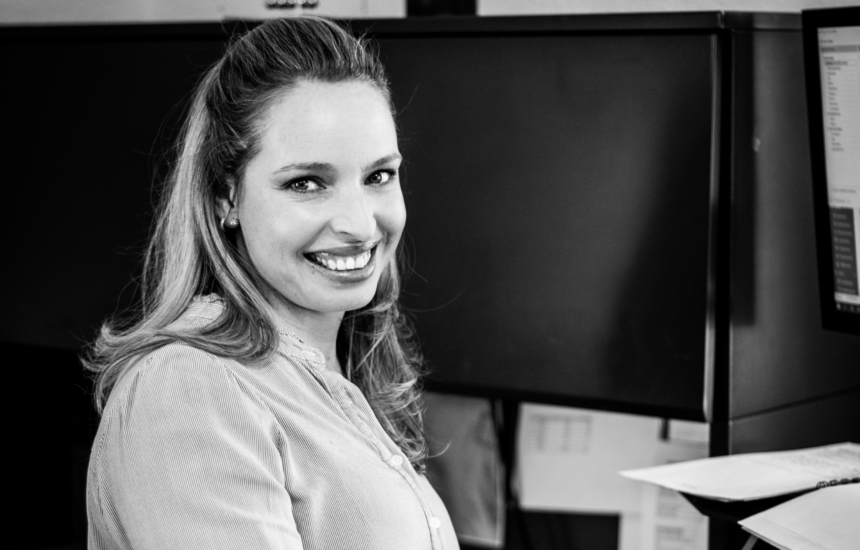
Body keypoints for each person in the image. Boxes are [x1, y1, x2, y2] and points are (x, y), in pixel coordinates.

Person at [84, 16, 459, 550]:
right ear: (226, 197)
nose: (358, 223)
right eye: (307, 183)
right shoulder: (191, 387)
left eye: (379, 176)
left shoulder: (339, 380)